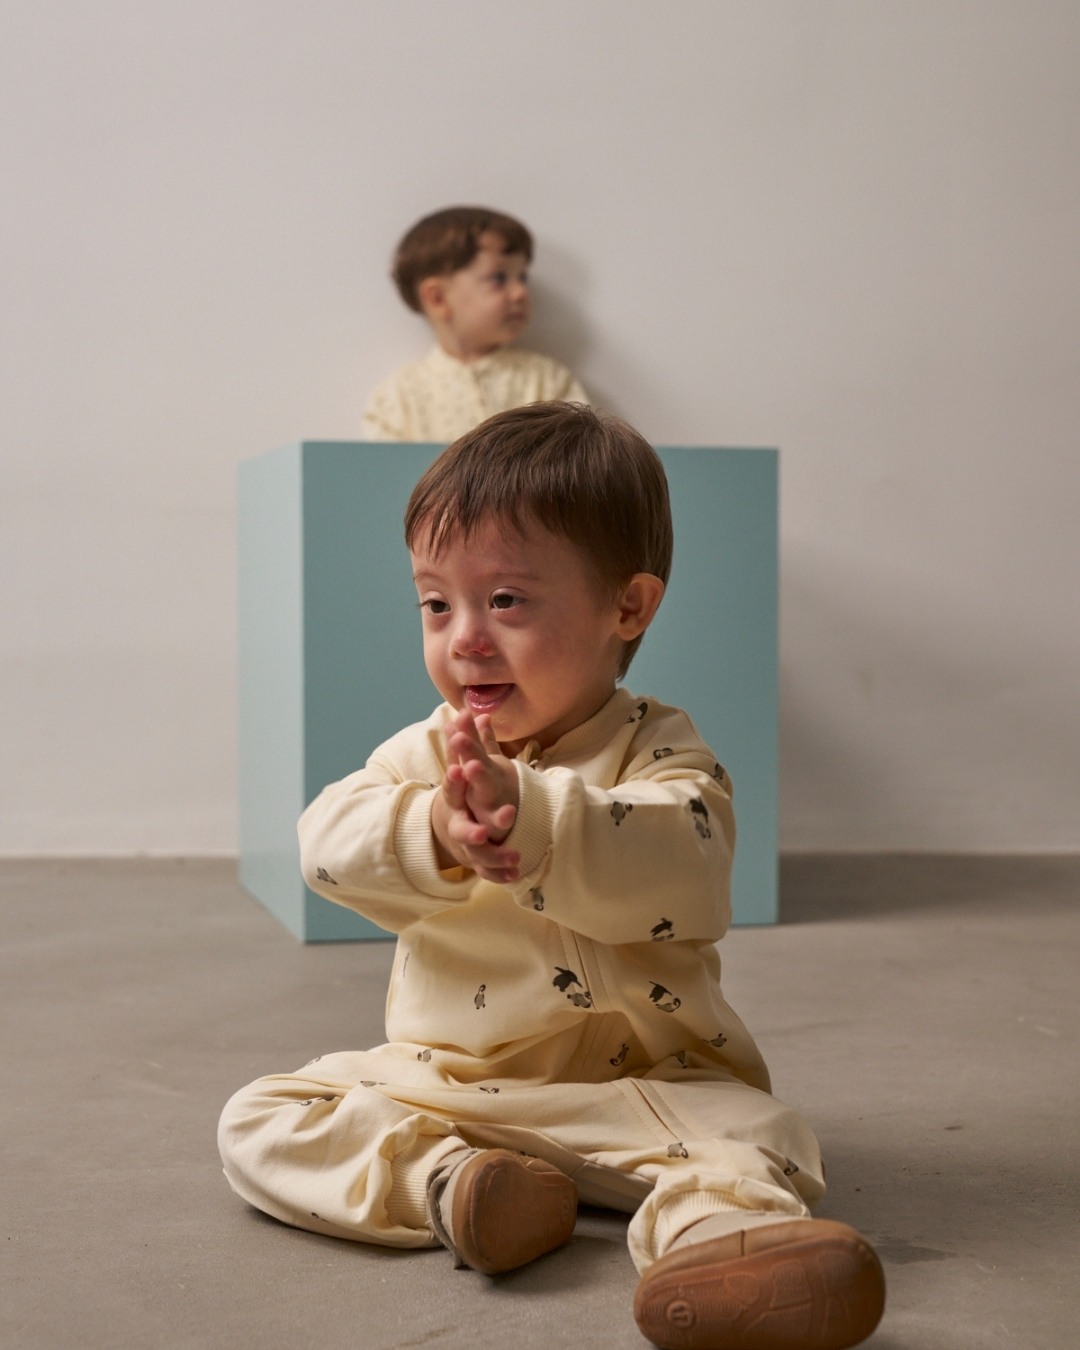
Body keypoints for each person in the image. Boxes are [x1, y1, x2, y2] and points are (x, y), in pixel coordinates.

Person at [218, 403, 885, 1350]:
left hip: (648, 1091)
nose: (464, 639)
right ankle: (461, 1188)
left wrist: (532, 821)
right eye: (436, 604)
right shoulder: (427, 756)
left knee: (759, 1139)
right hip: (452, 1088)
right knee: (262, 1117)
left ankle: (717, 1243)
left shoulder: (662, 753)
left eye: (505, 601)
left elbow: (686, 864)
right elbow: (326, 840)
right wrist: (436, 829)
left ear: (628, 607)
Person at [362, 206, 588, 442]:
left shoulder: (548, 380)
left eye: (522, 277)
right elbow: (383, 465)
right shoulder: (397, 399)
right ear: (438, 298)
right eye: (498, 278)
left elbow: (583, 453)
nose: (521, 292)